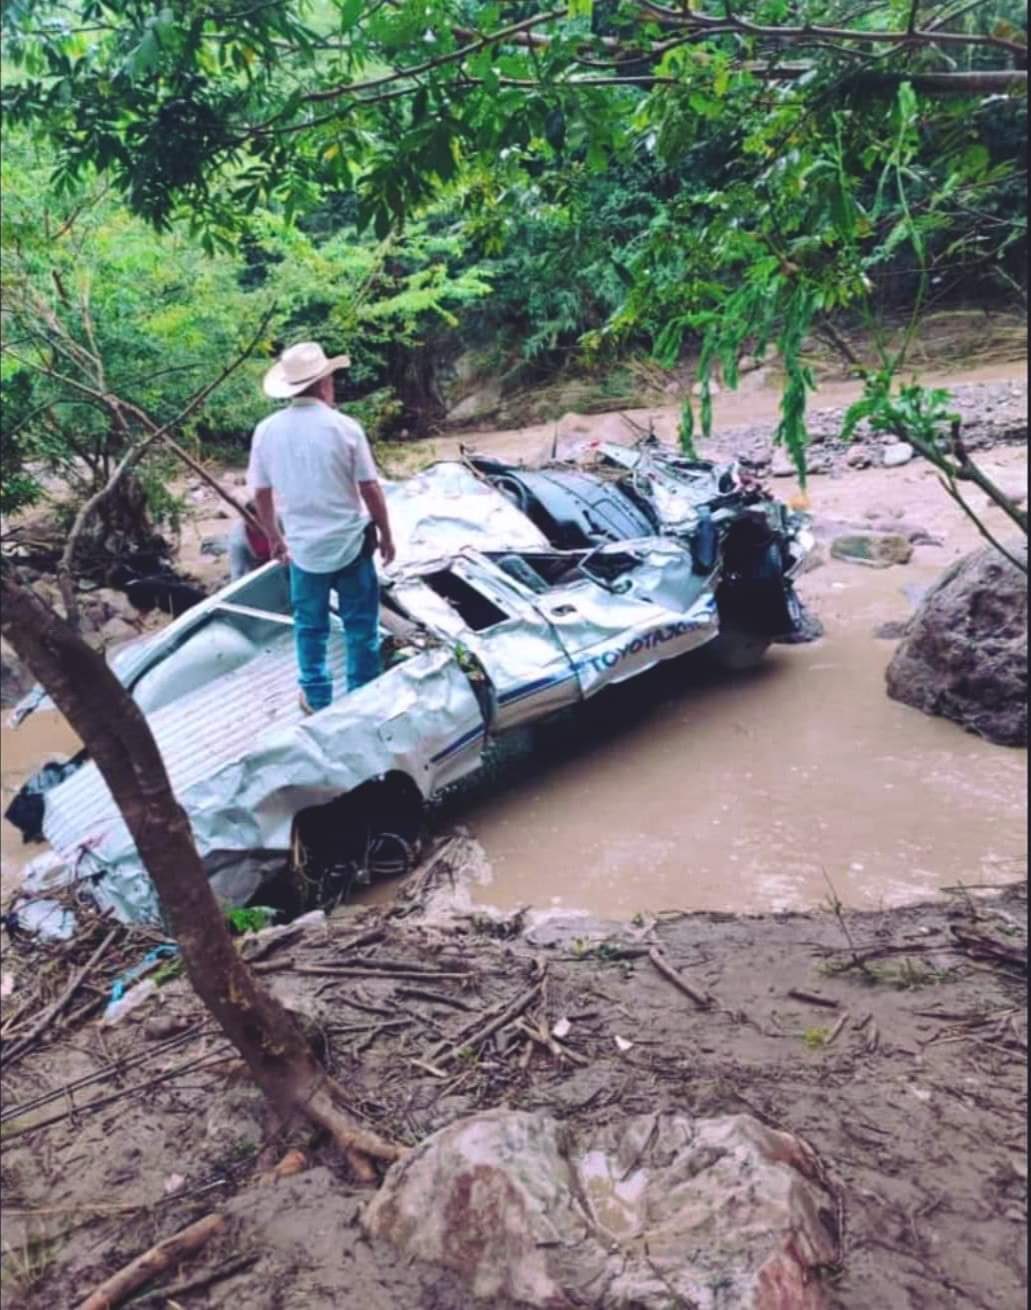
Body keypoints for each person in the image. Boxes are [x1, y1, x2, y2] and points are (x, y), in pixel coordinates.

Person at [247, 341, 396, 714]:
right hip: (350, 542)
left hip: (303, 549)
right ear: (323, 384)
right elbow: (370, 488)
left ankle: (316, 696)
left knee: (310, 626)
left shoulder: (266, 432)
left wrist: (274, 538)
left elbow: (261, 495)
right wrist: (386, 534)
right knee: (360, 624)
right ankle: (363, 693)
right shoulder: (345, 428)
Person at [227, 501, 277, 581]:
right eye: (256, 522)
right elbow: (237, 570)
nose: (260, 525)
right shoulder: (238, 538)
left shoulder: (276, 520)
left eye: (263, 521)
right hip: (258, 570)